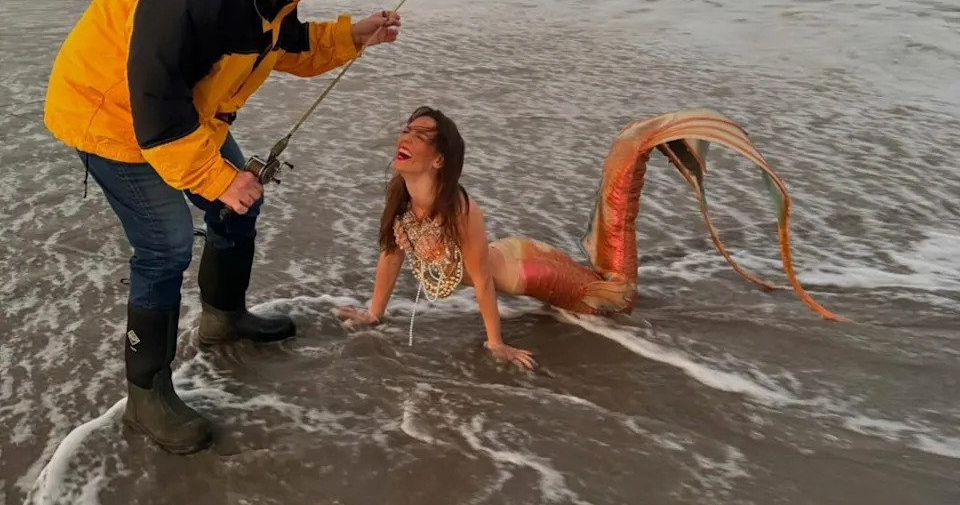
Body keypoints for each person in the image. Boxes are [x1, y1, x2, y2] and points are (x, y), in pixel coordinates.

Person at [43, 0, 401, 455]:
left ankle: (223, 317)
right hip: (108, 111)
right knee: (166, 245)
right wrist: (214, 177)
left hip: (182, 113)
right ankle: (146, 396)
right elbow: (153, 91)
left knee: (241, 202)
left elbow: (285, 45)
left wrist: (352, 36)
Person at [335, 105, 841, 364]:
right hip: (515, 257)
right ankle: (635, 150)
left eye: (420, 135)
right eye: (406, 129)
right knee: (603, 284)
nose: (404, 138)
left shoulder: (460, 207)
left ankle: (636, 146)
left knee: (615, 297)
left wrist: (496, 343)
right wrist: (374, 313)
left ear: (439, 157)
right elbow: (390, 254)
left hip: (534, 271)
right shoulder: (400, 197)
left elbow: (483, 280)